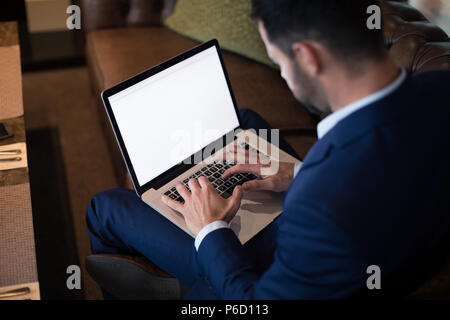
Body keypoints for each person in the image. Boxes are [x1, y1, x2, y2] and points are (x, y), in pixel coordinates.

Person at [86, 0, 450, 299]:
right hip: (379, 241)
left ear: (307, 57)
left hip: (285, 270)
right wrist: (298, 173)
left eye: (279, 63)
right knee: (243, 122)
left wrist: (211, 228)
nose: (283, 75)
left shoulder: (319, 202)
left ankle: (194, 286)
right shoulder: (440, 88)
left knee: (105, 207)